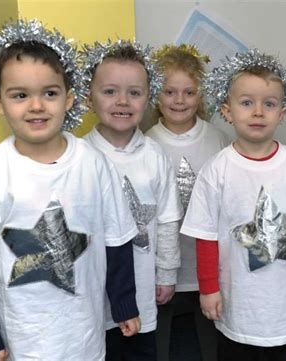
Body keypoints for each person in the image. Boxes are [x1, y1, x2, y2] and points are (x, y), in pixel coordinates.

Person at [0, 20, 140, 361]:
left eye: (49, 93)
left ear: (69, 98)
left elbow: (117, 240)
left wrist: (124, 302)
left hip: (83, 331)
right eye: (19, 95)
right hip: (24, 334)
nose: (36, 106)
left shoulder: (93, 163)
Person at [180, 48, 286, 361]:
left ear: (282, 113)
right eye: (246, 103)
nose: (257, 112)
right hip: (239, 302)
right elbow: (206, 235)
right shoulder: (217, 170)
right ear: (227, 110)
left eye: (269, 104)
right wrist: (208, 288)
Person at [81, 40, 183, 360]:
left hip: (142, 291)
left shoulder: (155, 155)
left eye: (134, 93)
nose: (122, 101)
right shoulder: (79, 157)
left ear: (147, 99)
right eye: (110, 91)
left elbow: (167, 218)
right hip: (92, 297)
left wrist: (166, 273)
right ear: (88, 98)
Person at [145, 43, 229, 361]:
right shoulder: (147, 142)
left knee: (208, 347)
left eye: (189, 92)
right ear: (156, 94)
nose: (179, 101)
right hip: (162, 275)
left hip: (208, 271)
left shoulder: (218, 140)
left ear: (201, 95)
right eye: (170, 92)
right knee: (163, 346)